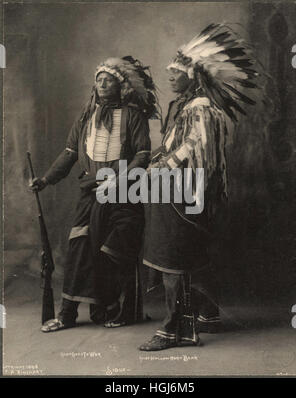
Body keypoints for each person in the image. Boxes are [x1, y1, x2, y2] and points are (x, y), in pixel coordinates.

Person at [139, 23, 261, 351]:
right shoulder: (188, 107)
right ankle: (207, 315)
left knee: (173, 259)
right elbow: (176, 144)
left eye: (176, 73)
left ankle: (172, 330)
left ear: (192, 75)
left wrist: (161, 167)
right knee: (188, 255)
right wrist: (157, 157)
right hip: (178, 189)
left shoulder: (202, 108)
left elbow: (195, 149)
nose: (169, 77)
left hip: (184, 192)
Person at [30, 56, 160, 332]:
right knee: (79, 249)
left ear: (121, 85)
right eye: (98, 79)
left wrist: (119, 180)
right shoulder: (86, 117)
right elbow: (69, 154)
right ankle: (67, 314)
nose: (101, 83)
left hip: (124, 194)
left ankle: (120, 309)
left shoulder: (134, 116)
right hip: (91, 193)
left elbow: (143, 155)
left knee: (116, 251)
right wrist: (46, 180)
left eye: (108, 79)